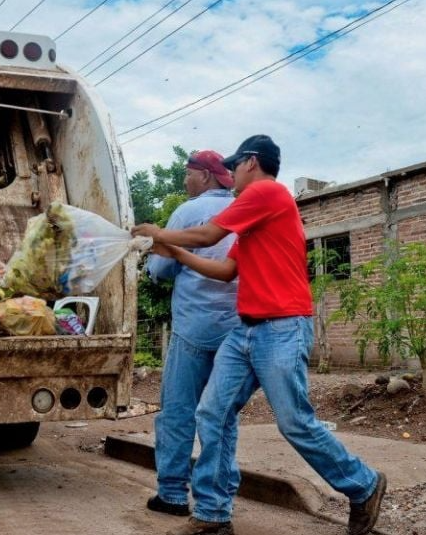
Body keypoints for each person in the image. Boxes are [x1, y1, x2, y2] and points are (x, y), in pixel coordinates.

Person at [133, 135, 386, 535]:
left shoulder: (267, 192)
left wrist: (159, 235)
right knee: (212, 413)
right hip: (245, 330)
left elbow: (208, 236)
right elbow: (225, 271)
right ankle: (213, 516)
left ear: (252, 162)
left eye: (234, 166)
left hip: (282, 328)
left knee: (294, 423)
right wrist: (176, 254)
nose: (230, 174)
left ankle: (363, 484)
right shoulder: (252, 220)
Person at [145, 150, 241, 518]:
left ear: (204, 176)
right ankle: (216, 503)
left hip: (192, 328)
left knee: (179, 411)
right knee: (220, 416)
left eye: (188, 174)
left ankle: (171, 494)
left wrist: (156, 263)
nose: (185, 181)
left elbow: (161, 267)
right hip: (234, 331)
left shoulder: (187, 213)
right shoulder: (240, 211)